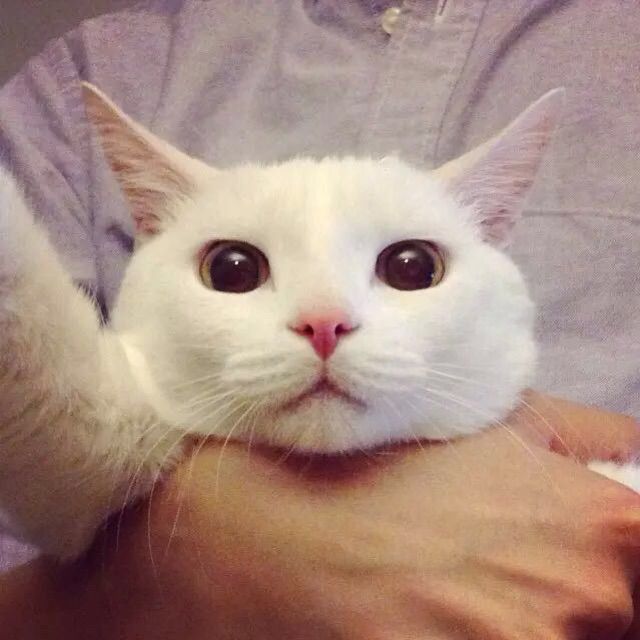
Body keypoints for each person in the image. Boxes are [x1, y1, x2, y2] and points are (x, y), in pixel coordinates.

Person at [0, 0, 639, 637]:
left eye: (411, 268)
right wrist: (145, 579)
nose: (325, 322)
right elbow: (74, 432)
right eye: (234, 270)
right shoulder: (97, 58)